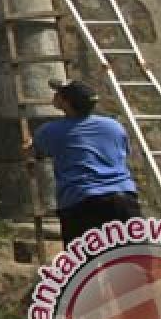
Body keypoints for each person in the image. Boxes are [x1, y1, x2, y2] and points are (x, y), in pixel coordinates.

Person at [25, 78, 141, 246]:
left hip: (81, 204)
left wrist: (30, 147)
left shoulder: (52, 130)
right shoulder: (114, 126)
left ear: (65, 103)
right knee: (133, 263)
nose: (55, 95)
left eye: (59, 93)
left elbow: (32, 152)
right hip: (124, 201)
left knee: (84, 268)